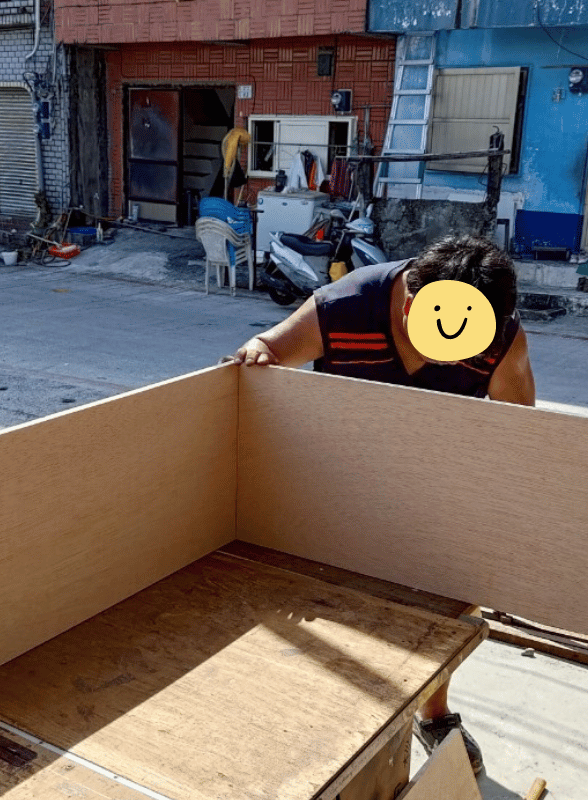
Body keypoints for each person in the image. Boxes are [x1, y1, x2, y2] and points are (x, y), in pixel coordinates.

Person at [226, 234, 536, 774]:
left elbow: (520, 431)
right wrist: (256, 358)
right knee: (336, 615)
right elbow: (269, 350)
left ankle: (432, 712)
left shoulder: (500, 337)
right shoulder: (346, 306)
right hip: (337, 486)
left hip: (433, 495)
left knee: (438, 614)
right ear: (412, 303)